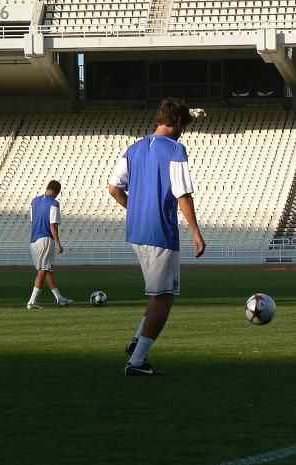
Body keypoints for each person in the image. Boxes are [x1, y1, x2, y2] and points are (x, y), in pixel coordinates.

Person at [109, 97, 206, 376]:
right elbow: (182, 193)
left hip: (137, 231)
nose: (183, 132)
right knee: (163, 296)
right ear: (175, 122)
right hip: (160, 231)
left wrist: (135, 209)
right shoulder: (175, 149)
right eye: (183, 126)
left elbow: (114, 188)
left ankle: (137, 340)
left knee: (162, 293)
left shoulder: (134, 148)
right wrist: (196, 232)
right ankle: (137, 362)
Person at [26, 180, 73, 310]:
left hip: (34, 240)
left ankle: (59, 298)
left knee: (47, 270)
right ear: (57, 191)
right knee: (43, 271)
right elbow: (53, 224)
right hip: (45, 239)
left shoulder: (34, 201)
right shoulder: (54, 203)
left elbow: (33, 220)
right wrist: (58, 242)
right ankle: (32, 301)